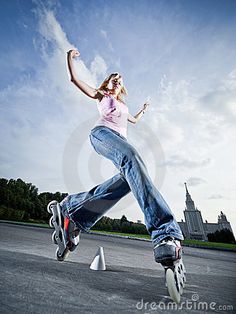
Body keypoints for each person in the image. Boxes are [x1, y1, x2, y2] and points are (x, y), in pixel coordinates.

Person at [54, 49, 184, 264]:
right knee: (132, 157)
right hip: (102, 134)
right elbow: (74, 79)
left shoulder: (123, 105)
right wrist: (69, 56)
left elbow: (133, 120)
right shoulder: (101, 95)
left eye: (119, 80)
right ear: (108, 83)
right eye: (114, 79)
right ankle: (164, 233)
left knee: (128, 179)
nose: (116, 81)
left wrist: (143, 110)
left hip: (121, 139)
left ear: (122, 87)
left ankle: (73, 210)